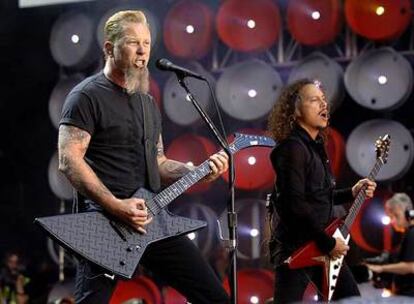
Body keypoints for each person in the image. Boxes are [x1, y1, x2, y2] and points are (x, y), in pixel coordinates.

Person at [58, 10, 229, 304]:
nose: (142, 51)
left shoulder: (147, 102)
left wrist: (195, 170)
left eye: (147, 43)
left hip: (151, 217)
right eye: (133, 42)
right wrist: (116, 205)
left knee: (214, 297)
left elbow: (158, 163)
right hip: (104, 223)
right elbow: (69, 160)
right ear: (109, 48)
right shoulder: (85, 96)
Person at [266, 79, 377, 303]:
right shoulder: (291, 148)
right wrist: (328, 243)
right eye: (314, 100)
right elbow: (293, 204)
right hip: (297, 247)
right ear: (294, 110)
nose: (323, 105)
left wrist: (351, 192)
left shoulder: (315, 148)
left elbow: (316, 198)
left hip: (319, 243)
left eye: (324, 100)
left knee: (351, 299)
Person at [366, 193, 414, 296]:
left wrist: (381, 268)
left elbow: (411, 266)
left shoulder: (412, 233)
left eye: (396, 215)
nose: (393, 221)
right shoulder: (408, 233)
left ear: (408, 213)